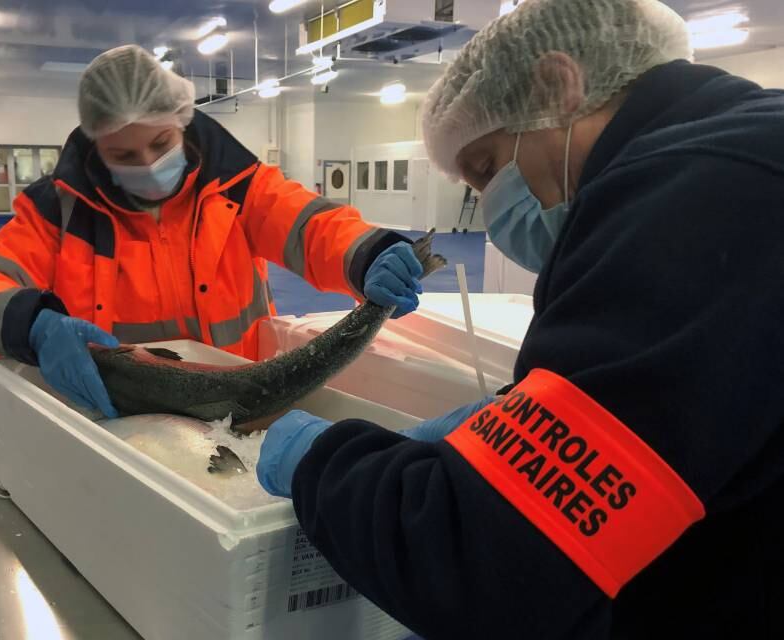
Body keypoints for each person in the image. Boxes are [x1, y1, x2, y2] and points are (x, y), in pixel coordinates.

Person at [256, 0, 784, 638]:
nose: (490, 207)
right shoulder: (744, 148)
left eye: (486, 168)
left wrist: (323, 460)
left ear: (557, 88)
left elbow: (478, 561)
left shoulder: (691, 202)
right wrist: (524, 420)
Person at [0, 45, 424, 417]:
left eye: (160, 143)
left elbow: (311, 227)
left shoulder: (239, 188)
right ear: (97, 148)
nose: (148, 164)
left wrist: (368, 253)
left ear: (181, 121)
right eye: (124, 155)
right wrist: (31, 323)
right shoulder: (57, 213)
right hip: (117, 416)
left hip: (239, 407)